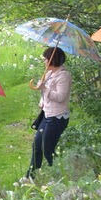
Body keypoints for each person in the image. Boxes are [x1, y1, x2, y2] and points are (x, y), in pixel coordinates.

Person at [26, 47, 71, 177]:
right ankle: (31, 176)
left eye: (46, 59)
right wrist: (42, 99)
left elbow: (60, 97)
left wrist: (44, 88)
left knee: (48, 150)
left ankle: (62, 175)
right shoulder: (50, 73)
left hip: (57, 118)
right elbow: (45, 92)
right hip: (47, 115)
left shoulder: (64, 76)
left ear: (53, 60)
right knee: (37, 146)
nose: (44, 62)